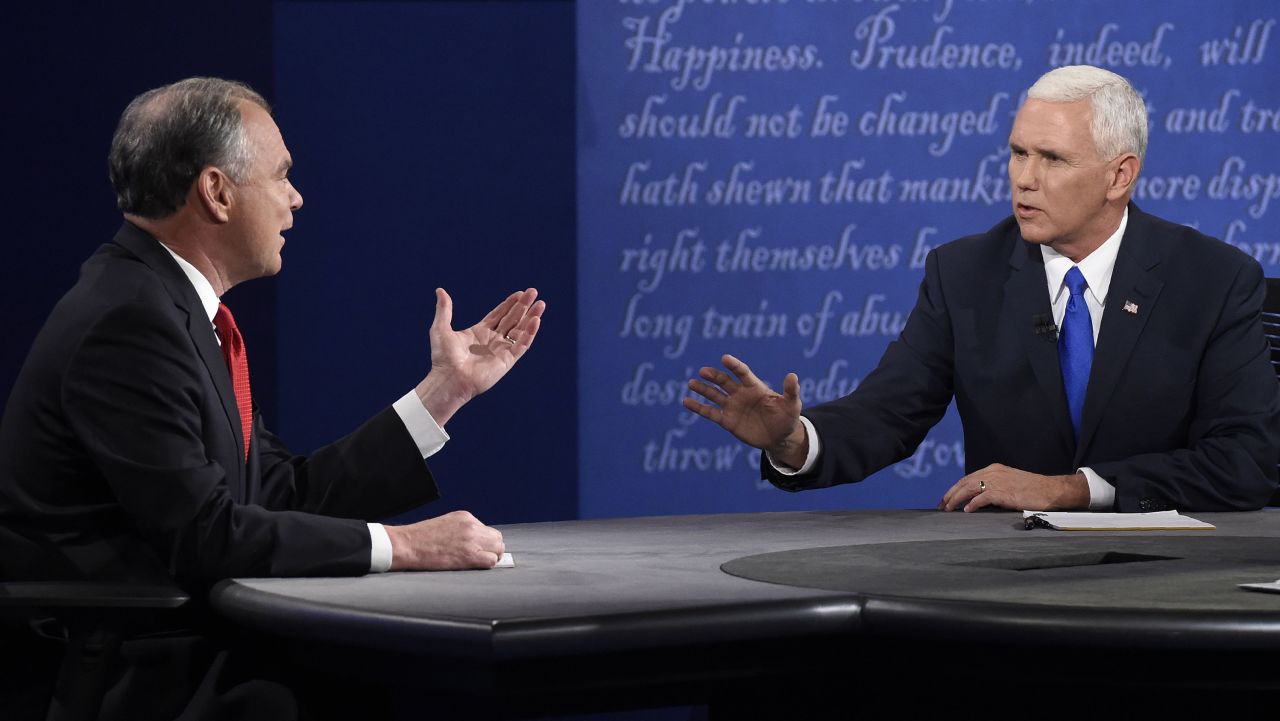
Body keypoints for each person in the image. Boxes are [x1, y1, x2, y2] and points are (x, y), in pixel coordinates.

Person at [0, 77, 543, 718]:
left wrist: (443, 393)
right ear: (217, 192)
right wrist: (410, 548)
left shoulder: (166, 306)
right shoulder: (129, 323)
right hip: (122, 667)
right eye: (281, 176)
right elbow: (206, 535)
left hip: (184, 639)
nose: (296, 199)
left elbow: (276, 492)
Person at [685, 65, 1280, 513]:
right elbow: (887, 414)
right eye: (1018, 153)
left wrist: (1077, 489)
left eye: (1052, 159)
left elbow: (1247, 459)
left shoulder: (1213, 279)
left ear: (1119, 176)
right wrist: (795, 440)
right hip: (1006, 574)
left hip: (1170, 576)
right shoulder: (965, 274)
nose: (1024, 179)